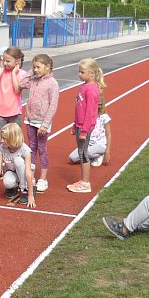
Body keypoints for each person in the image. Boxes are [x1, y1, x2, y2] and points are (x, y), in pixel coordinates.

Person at [20, 53, 59, 193]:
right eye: (34, 67)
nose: (35, 70)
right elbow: (21, 83)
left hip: (42, 123)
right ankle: (31, 175)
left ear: (47, 67)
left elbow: (53, 105)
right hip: (30, 120)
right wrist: (30, 72)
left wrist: (45, 124)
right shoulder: (33, 80)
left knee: (42, 149)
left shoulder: (52, 84)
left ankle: (43, 178)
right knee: (31, 148)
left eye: (38, 67)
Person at [68, 58, 105, 193]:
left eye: (82, 72)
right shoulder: (84, 87)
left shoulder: (91, 89)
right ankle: (83, 181)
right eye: (79, 71)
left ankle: (85, 183)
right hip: (79, 125)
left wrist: (84, 131)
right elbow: (79, 109)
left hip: (85, 127)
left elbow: (90, 112)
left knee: (83, 154)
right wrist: (75, 124)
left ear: (91, 73)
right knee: (81, 152)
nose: (79, 74)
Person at [0, 122, 36, 208]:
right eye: (1, 138)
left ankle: (25, 189)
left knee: (18, 160)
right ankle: (15, 186)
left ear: (13, 138)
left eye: (4, 138)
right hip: (12, 171)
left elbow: (28, 172)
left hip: (25, 173)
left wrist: (31, 195)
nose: (1, 141)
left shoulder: (25, 150)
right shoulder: (0, 149)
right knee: (7, 182)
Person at [0, 46, 27, 140]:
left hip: (14, 112)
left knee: (14, 139)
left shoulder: (22, 74)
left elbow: (17, 90)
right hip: (0, 111)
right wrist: (3, 69)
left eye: (8, 61)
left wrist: (13, 73)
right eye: (4, 60)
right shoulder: (2, 72)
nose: (5, 63)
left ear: (17, 61)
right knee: (0, 139)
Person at [68, 99, 112, 168]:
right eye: (97, 104)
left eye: (100, 104)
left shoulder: (104, 117)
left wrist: (107, 151)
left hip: (100, 144)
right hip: (89, 144)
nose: (99, 106)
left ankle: (100, 155)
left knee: (87, 152)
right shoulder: (88, 117)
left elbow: (108, 135)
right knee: (72, 158)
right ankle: (92, 157)